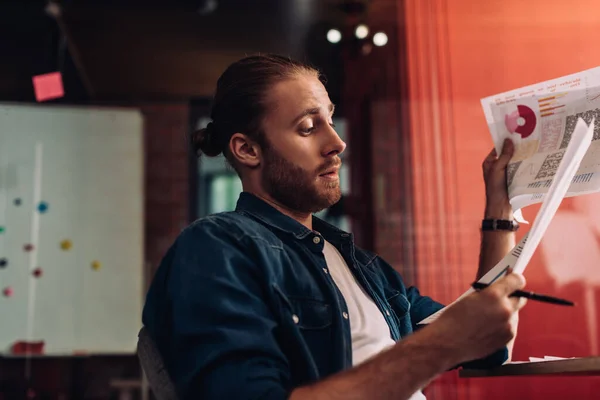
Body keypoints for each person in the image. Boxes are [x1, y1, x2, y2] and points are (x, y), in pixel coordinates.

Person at [142, 54, 527, 400]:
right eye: (309, 127)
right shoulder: (219, 248)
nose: (338, 142)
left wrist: (500, 206)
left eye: (330, 119)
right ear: (248, 150)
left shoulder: (366, 269)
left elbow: (487, 342)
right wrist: (439, 345)